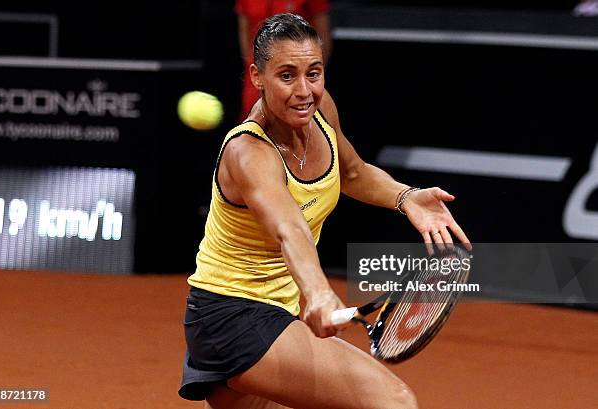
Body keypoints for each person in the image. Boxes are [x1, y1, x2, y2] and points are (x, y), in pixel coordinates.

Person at [179, 13, 471, 409]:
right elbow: (289, 228)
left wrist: (406, 197)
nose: (304, 90)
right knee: (394, 402)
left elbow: (352, 172)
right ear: (257, 76)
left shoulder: (318, 110)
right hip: (234, 318)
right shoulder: (249, 153)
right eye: (286, 75)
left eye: (313, 73)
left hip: (271, 316)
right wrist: (317, 291)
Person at [235, 0, 332, 120]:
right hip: (256, 80)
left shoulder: (316, 97)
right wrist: (263, 76)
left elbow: (323, 39)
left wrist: (312, 76)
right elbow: (245, 35)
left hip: (297, 75)